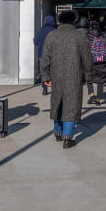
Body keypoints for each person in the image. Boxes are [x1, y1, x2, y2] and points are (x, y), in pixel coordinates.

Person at [41, 10, 92, 149]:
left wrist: (45, 76)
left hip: (56, 75)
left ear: (60, 21)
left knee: (57, 102)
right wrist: (88, 76)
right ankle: (68, 138)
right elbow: (87, 59)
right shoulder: (79, 36)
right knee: (71, 104)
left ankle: (58, 132)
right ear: (74, 21)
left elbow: (45, 58)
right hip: (74, 76)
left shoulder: (52, 35)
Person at [86, 21, 106, 104]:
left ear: (91, 27)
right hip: (102, 60)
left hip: (91, 60)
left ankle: (92, 95)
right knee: (100, 79)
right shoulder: (103, 36)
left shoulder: (88, 36)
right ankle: (98, 99)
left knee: (88, 77)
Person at [33, 15, 56, 96]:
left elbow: (36, 42)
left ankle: (44, 89)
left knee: (44, 72)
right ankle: (54, 88)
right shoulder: (54, 31)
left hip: (42, 55)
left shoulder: (41, 31)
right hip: (52, 55)